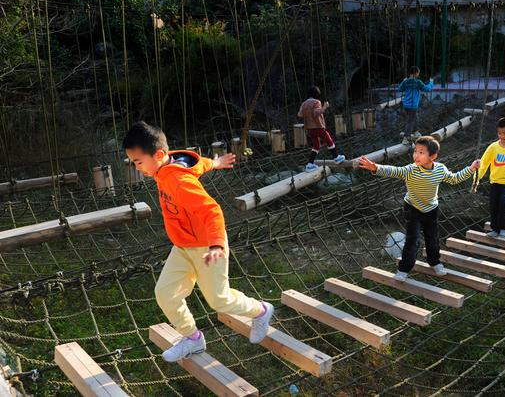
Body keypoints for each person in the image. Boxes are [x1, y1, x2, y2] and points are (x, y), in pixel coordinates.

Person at [122, 121, 273, 362]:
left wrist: (215, 244)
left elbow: (211, 211)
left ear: (159, 155)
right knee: (165, 293)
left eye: (138, 162)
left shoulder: (179, 182)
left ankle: (261, 310)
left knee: (219, 300)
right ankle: (193, 338)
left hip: (207, 245)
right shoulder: (167, 164)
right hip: (183, 246)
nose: (137, 167)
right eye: (134, 162)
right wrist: (215, 163)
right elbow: (195, 163)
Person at [358, 136, 480, 281]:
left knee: (432, 239)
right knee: (412, 239)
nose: (416, 155)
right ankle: (403, 269)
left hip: (431, 210)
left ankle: (434, 262)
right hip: (412, 209)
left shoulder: (440, 169)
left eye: (421, 152)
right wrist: (375, 167)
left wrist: (471, 168)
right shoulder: (411, 170)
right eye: (415, 151)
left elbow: (454, 178)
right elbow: (394, 171)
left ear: (433, 156)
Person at [298, 86, 346, 172]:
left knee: (316, 146)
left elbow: (300, 114)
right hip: (318, 127)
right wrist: (324, 107)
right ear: (317, 94)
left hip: (309, 129)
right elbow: (316, 112)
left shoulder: (304, 104)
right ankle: (336, 157)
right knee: (329, 140)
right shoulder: (316, 102)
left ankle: (310, 164)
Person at [398, 66, 433, 145]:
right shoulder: (418, 82)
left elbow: (399, 89)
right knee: (410, 121)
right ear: (416, 73)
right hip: (413, 105)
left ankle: (416, 131)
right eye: (418, 73)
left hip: (406, 104)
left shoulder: (406, 81)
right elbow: (427, 89)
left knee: (414, 117)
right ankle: (406, 138)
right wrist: (431, 82)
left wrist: (403, 81)